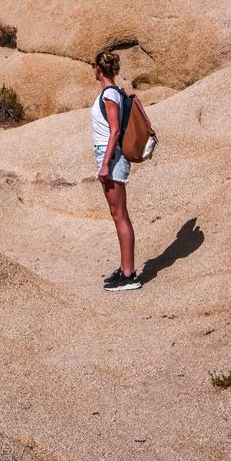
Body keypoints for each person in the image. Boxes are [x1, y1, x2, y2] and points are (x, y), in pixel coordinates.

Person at [91, 50, 141, 291]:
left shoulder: (110, 94)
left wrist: (105, 163)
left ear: (98, 70)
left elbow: (114, 131)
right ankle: (125, 269)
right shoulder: (112, 92)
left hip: (112, 157)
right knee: (117, 214)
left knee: (120, 215)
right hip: (110, 156)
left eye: (94, 66)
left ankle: (129, 275)